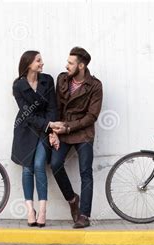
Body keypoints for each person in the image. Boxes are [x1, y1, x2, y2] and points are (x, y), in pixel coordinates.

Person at [49, 47, 103, 228]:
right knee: (55, 165)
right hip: (62, 130)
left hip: (83, 133)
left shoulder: (95, 85)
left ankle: (84, 215)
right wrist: (54, 131)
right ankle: (72, 199)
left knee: (85, 172)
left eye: (70, 63)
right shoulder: (62, 79)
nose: (67, 65)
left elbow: (92, 116)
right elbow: (56, 107)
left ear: (81, 65)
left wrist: (68, 127)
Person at [11, 50, 60, 227]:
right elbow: (27, 114)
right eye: (38, 60)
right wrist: (49, 126)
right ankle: (30, 210)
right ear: (28, 63)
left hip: (45, 129)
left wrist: (52, 130)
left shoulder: (47, 80)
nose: (42, 63)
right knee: (27, 169)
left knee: (39, 165)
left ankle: (43, 210)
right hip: (26, 129)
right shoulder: (18, 85)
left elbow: (53, 107)